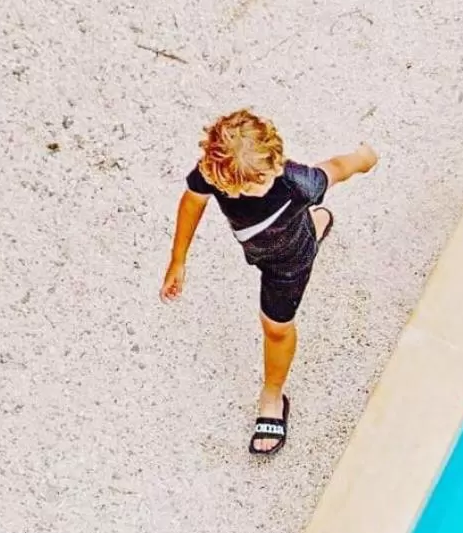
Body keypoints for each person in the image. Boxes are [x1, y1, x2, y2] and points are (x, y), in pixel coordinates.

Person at [160, 109, 377, 455]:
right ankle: (313, 225)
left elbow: (336, 168)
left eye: (271, 169)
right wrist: (178, 259)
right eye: (257, 182)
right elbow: (192, 200)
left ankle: (272, 396)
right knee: (297, 226)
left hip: (287, 266)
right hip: (264, 244)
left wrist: (363, 159)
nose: (272, 177)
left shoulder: (298, 183)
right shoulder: (216, 172)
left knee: (275, 327)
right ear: (224, 182)